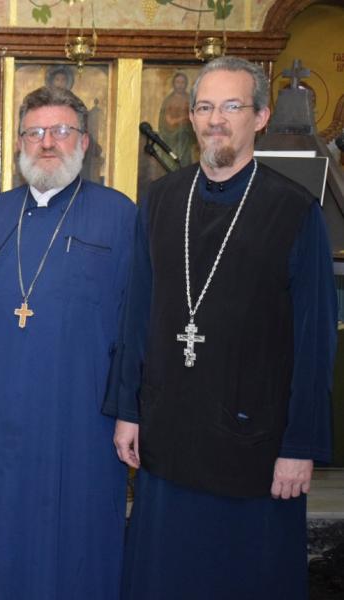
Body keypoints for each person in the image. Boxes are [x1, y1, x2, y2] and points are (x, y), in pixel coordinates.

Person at [107, 56, 336, 600]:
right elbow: (136, 313)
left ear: (260, 117)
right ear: (191, 118)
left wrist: (300, 443)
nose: (216, 119)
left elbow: (314, 338)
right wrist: (126, 409)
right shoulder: (160, 201)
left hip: (255, 444)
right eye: (206, 107)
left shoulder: (294, 210)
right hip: (169, 433)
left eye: (232, 106)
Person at [0, 86, 136, 599]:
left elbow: (136, 324)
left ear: (84, 142)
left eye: (60, 131)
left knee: (76, 543)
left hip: (81, 421)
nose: (47, 143)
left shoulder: (119, 216)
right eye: (34, 132)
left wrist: (130, 410)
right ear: (19, 142)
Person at [157, 72, 197, 167]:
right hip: (170, 137)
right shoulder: (168, 100)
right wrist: (183, 119)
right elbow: (168, 121)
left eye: (182, 82)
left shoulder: (190, 99)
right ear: (174, 84)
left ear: (186, 84)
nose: (180, 85)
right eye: (178, 82)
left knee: (185, 160)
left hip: (186, 137)